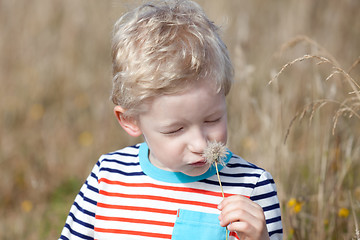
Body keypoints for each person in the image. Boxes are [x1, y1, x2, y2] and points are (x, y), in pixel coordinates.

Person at [59, 0, 283, 239]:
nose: (200, 144)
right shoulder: (108, 178)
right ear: (130, 120)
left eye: (212, 119)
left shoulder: (250, 186)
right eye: (176, 129)